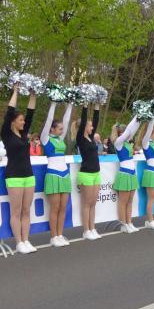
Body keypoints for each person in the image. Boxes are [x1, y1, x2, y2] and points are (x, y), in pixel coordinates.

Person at [1, 84, 37, 254]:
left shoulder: (23, 134)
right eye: (20, 120)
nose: (23, 122)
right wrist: (15, 91)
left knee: (26, 210)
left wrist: (33, 94)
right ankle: (19, 242)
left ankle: (26, 240)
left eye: (23, 120)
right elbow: (9, 111)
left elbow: (31, 113)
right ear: (13, 122)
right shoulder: (6, 134)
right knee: (16, 211)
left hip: (29, 175)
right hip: (14, 176)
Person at [40, 100, 74, 247]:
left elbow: (66, 121)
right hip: (53, 175)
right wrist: (53, 104)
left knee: (63, 208)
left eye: (62, 129)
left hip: (65, 175)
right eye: (59, 129)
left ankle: (60, 234)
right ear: (52, 129)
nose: (62, 131)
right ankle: (53, 237)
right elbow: (48, 120)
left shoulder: (60, 139)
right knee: (54, 208)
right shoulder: (45, 139)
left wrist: (71, 104)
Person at [75, 104, 102, 240]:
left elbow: (96, 120)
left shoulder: (91, 138)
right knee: (87, 203)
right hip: (86, 174)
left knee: (93, 203)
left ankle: (92, 228)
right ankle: (86, 230)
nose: (92, 128)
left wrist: (97, 105)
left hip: (96, 173)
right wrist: (85, 106)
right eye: (90, 126)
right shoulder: (80, 138)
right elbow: (84, 120)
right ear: (84, 127)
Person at [111, 115, 141, 233]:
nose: (129, 135)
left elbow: (133, 129)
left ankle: (129, 222)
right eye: (125, 133)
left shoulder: (128, 142)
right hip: (124, 174)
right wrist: (136, 115)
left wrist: (141, 117)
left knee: (130, 201)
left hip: (132, 174)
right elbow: (129, 130)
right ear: (121, 133)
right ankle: (123, 224)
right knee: (123, 201)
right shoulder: (118, 143)